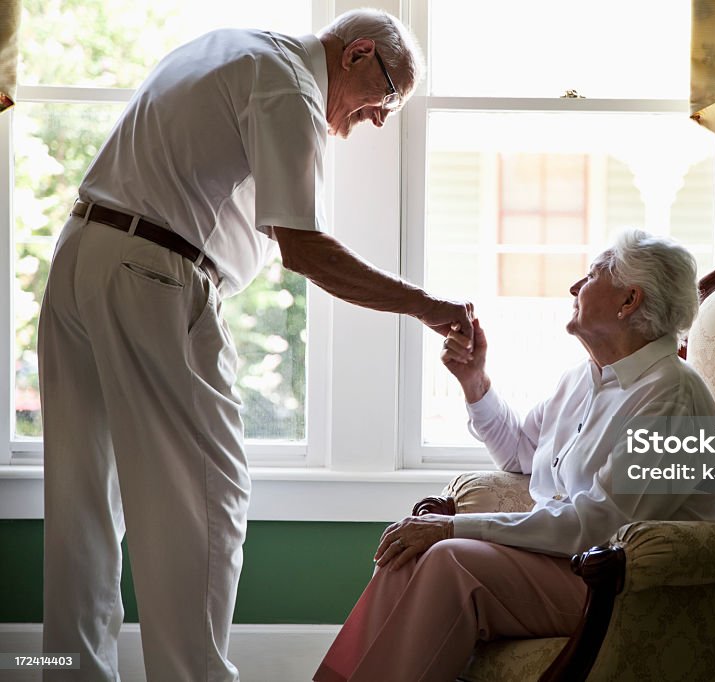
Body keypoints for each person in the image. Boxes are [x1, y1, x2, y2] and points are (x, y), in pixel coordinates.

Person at [38, 9, 473, 682]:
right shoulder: (289, 87)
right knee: (207, 497)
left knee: (83, 502)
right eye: (386, 97)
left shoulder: (230, 48)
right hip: (152, 273)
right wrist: (424, 305)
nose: (381, 119)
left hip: (81, 257)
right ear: (358, 54)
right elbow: (303, 249)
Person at [314, 229, 715, 682]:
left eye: (590, 276)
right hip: (565, 564)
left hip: (623, 585)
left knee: (448, 559)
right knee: (406, 552)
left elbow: (599, 527)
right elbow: (520, 454)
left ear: (628, 301)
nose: (575, 287)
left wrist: (451, 525)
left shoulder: (671, 397)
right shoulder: (583, 378)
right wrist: (474, 381)